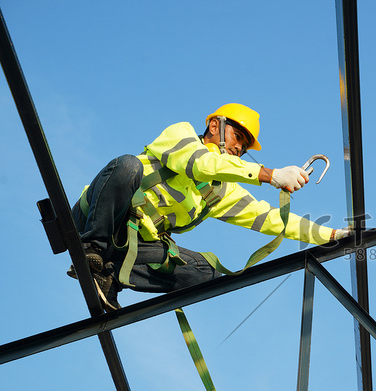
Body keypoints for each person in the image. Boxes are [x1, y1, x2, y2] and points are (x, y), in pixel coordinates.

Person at [70, 103, 349, 310]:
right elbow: (202, 164)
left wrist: (332, 235)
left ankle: (109, 277)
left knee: (207, 273)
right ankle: (91, 250)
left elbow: (270, 218)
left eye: (244, 145)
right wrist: (270, 174)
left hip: (130, 246)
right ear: (215, 126)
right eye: (238, 137)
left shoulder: (218, 192)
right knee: (128, 166)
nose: (239, 148)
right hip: (91, 221)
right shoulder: (181, 135)